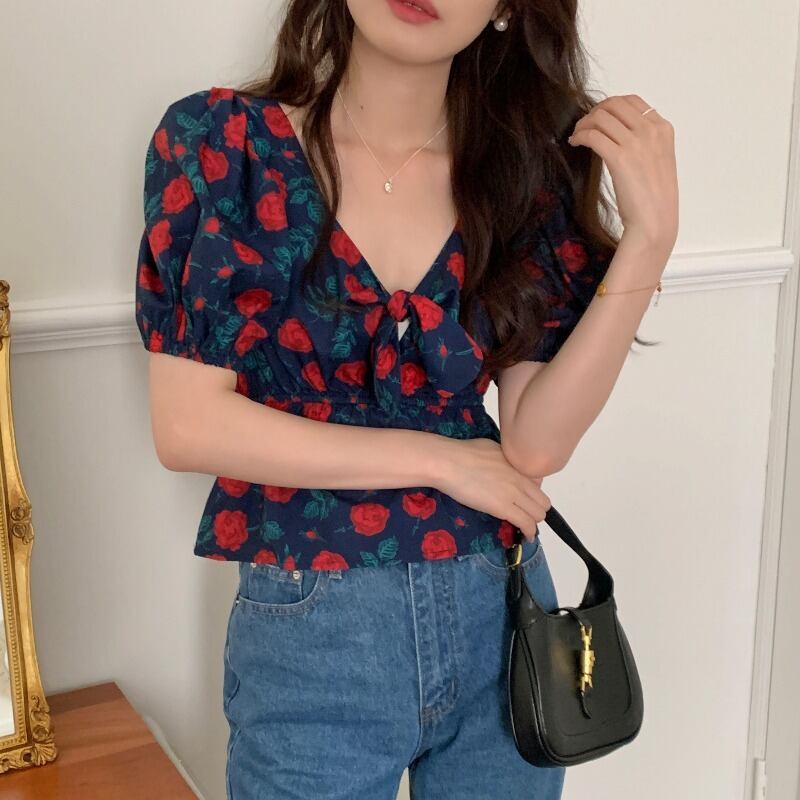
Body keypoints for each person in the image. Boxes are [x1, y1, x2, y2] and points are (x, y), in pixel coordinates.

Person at [134, 1, 678, 797]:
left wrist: (649, 241)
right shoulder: (226, 144)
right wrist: (439, 460)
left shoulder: (518, 174)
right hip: (314, 642)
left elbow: (534, 445)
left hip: (502, 613)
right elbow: (186, 425)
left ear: (507, 8)